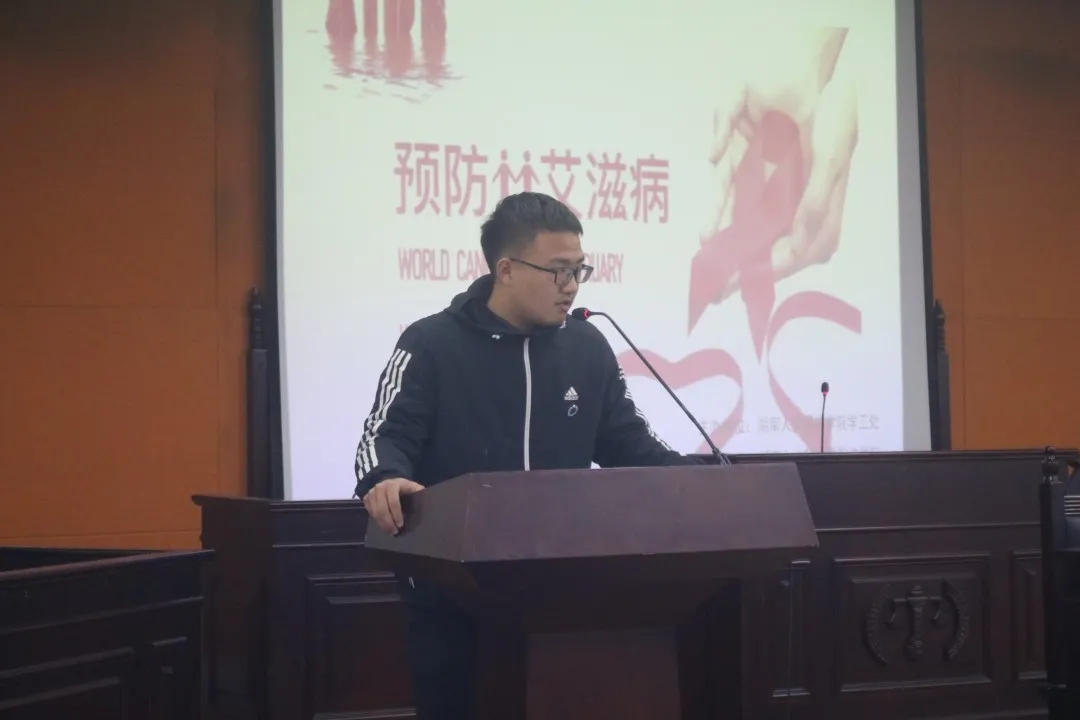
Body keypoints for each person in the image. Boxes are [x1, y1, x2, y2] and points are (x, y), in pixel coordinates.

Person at [354, 191, 701, 720]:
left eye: (579, 271)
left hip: (564, 599)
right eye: (558, 271)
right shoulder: (431, 343)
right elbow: (383, 435)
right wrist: (385, 477)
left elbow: (631, 444)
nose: (572, 286)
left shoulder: (587, 347)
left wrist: (703, 482)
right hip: (453, 598)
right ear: (507, 269)